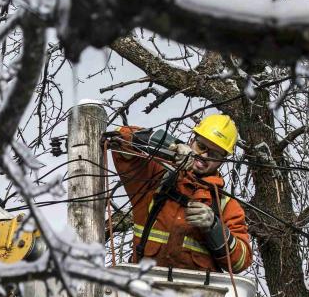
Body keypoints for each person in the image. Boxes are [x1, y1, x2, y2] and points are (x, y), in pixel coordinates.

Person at [108, 113, 253, 273]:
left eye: (214, 154)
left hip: (195, 293)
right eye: (201, 146)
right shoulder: (155, 177)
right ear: (192, 140)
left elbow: (241, 262)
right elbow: (119, 137)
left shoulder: (225, 205)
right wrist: (171, 146)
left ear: (223, 160)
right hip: (143, 287)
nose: (204, 156)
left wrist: (215, 227)